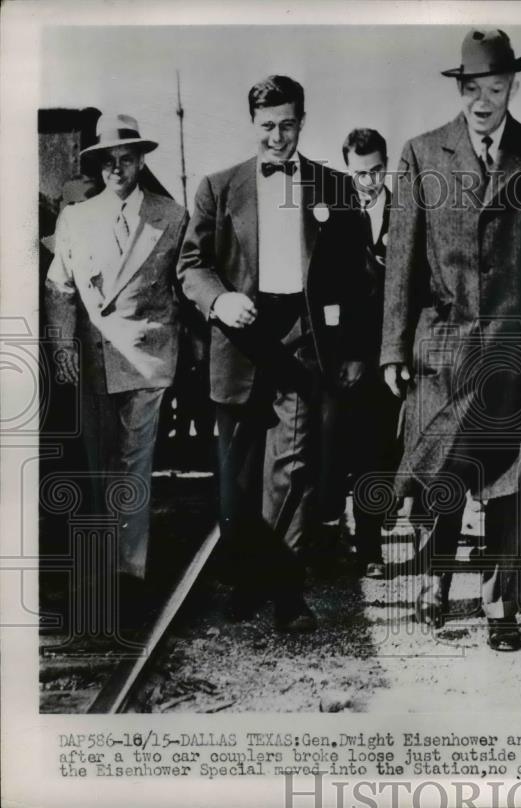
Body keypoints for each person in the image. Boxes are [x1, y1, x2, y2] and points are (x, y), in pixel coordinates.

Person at [381, 29, 521, 651]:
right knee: (446, 470)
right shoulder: (422, 155)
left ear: (512, 88)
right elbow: (402, 263)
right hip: (443, 346)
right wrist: (393, 348)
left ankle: (501, 606)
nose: (482, 101)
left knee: (506, 477)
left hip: (512, 347)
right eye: (473, 89)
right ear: (460, 89)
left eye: (495, 88)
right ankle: (440, 577)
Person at [178, 75, 369, 632]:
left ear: (302, 121)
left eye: (288, 125)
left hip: (304, 340)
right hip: (240, 338)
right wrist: (219, 300)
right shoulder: (218, 187)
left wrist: (354, 348)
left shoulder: (334, 186)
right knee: (236, 479)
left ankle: (289, 591)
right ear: (252, 124)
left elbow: (357, 281)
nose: (278, 137)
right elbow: (192, 265)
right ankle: (247, 578)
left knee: (293, 468)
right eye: (267, 127)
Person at [45, 113, 189, 619]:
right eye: (108, 162)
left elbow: (183, 286)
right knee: (99, 468)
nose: (117, 169)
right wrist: (63, 348)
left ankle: (130, 577)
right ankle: (104, 573)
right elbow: (60, 288)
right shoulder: (75, 219)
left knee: (135, 464)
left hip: (147, 359)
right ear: (98, 166)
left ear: (140, 160)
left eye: (126, 159)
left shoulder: (171, 216)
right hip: (92, 360)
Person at [336, 127, 400, 578]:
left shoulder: (407, 210)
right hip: (347, 355)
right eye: (360, 173)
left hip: (394, 351)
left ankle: (374, 535)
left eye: (377, 171)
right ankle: (361, 543)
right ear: (348, 168)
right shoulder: (335, 214)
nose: (370, 181)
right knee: (355, 451)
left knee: (386, 449)